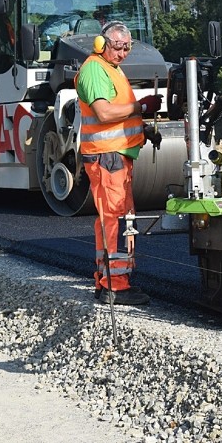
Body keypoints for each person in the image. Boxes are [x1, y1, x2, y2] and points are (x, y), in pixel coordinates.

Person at [74, 21, 162, 305]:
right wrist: (141, 106)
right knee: (118, 221)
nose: (123, 53)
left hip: (115, 155)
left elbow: (120, 115)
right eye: (117, 47)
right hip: (107, 157)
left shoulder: (112, 69)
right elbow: (103, 113)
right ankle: (117, 286)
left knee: (111, 220)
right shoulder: (94, 69)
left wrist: (142, 127)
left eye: (127, 48)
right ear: (102, 45)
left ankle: (106, 281)